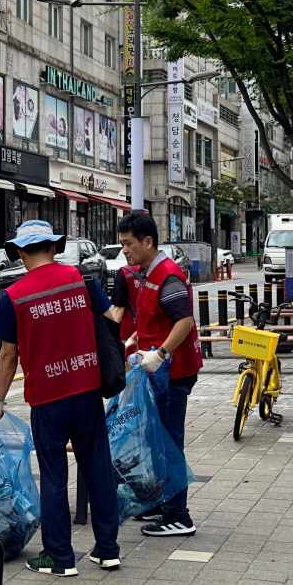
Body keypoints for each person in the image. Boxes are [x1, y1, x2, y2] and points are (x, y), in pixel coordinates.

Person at [0, 219, 122, 575]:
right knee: (98, 469)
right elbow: (111, 320)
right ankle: (107, 550)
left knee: (55, 476)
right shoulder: (83, 280)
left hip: (47, 398)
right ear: (55, 248)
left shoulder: (13, 296)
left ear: (19, 252)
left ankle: (60, 558)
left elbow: (8, 355)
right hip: (88, 390)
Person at [108, 209, 201, 538]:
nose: (125, 250)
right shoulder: (148, 272)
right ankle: (165, 503)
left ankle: (179, 516)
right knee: (156, 440)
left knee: (168, 444)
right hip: (157, 372)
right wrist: (138, 339)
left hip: (172, 375)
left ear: (148, 241)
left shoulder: (167, 275)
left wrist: (161, 353)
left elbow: (184, 321)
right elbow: (153, 317)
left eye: (129, 243)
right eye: (122, 244)